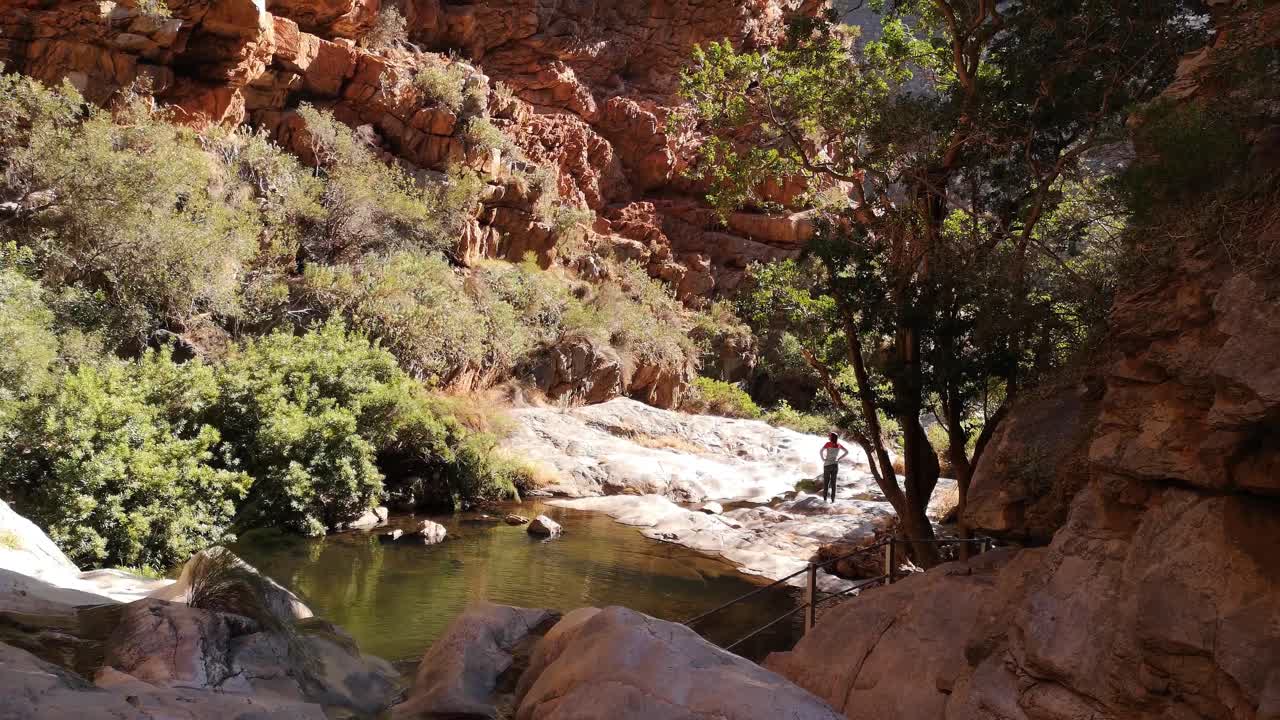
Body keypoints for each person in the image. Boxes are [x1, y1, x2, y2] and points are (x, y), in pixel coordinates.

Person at [820, 432, 849, 502]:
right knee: (833, 483)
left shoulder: (828, 444)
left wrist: (823, 459)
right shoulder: (838, 445)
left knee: (826, 482)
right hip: (835, 465)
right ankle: (833, 500)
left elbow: (821, 451)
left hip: (827, 464)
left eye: (829, 436)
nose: (828, 437)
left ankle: (825, 500)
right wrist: (839, 459)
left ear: (831, 437)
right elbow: (846, 452)